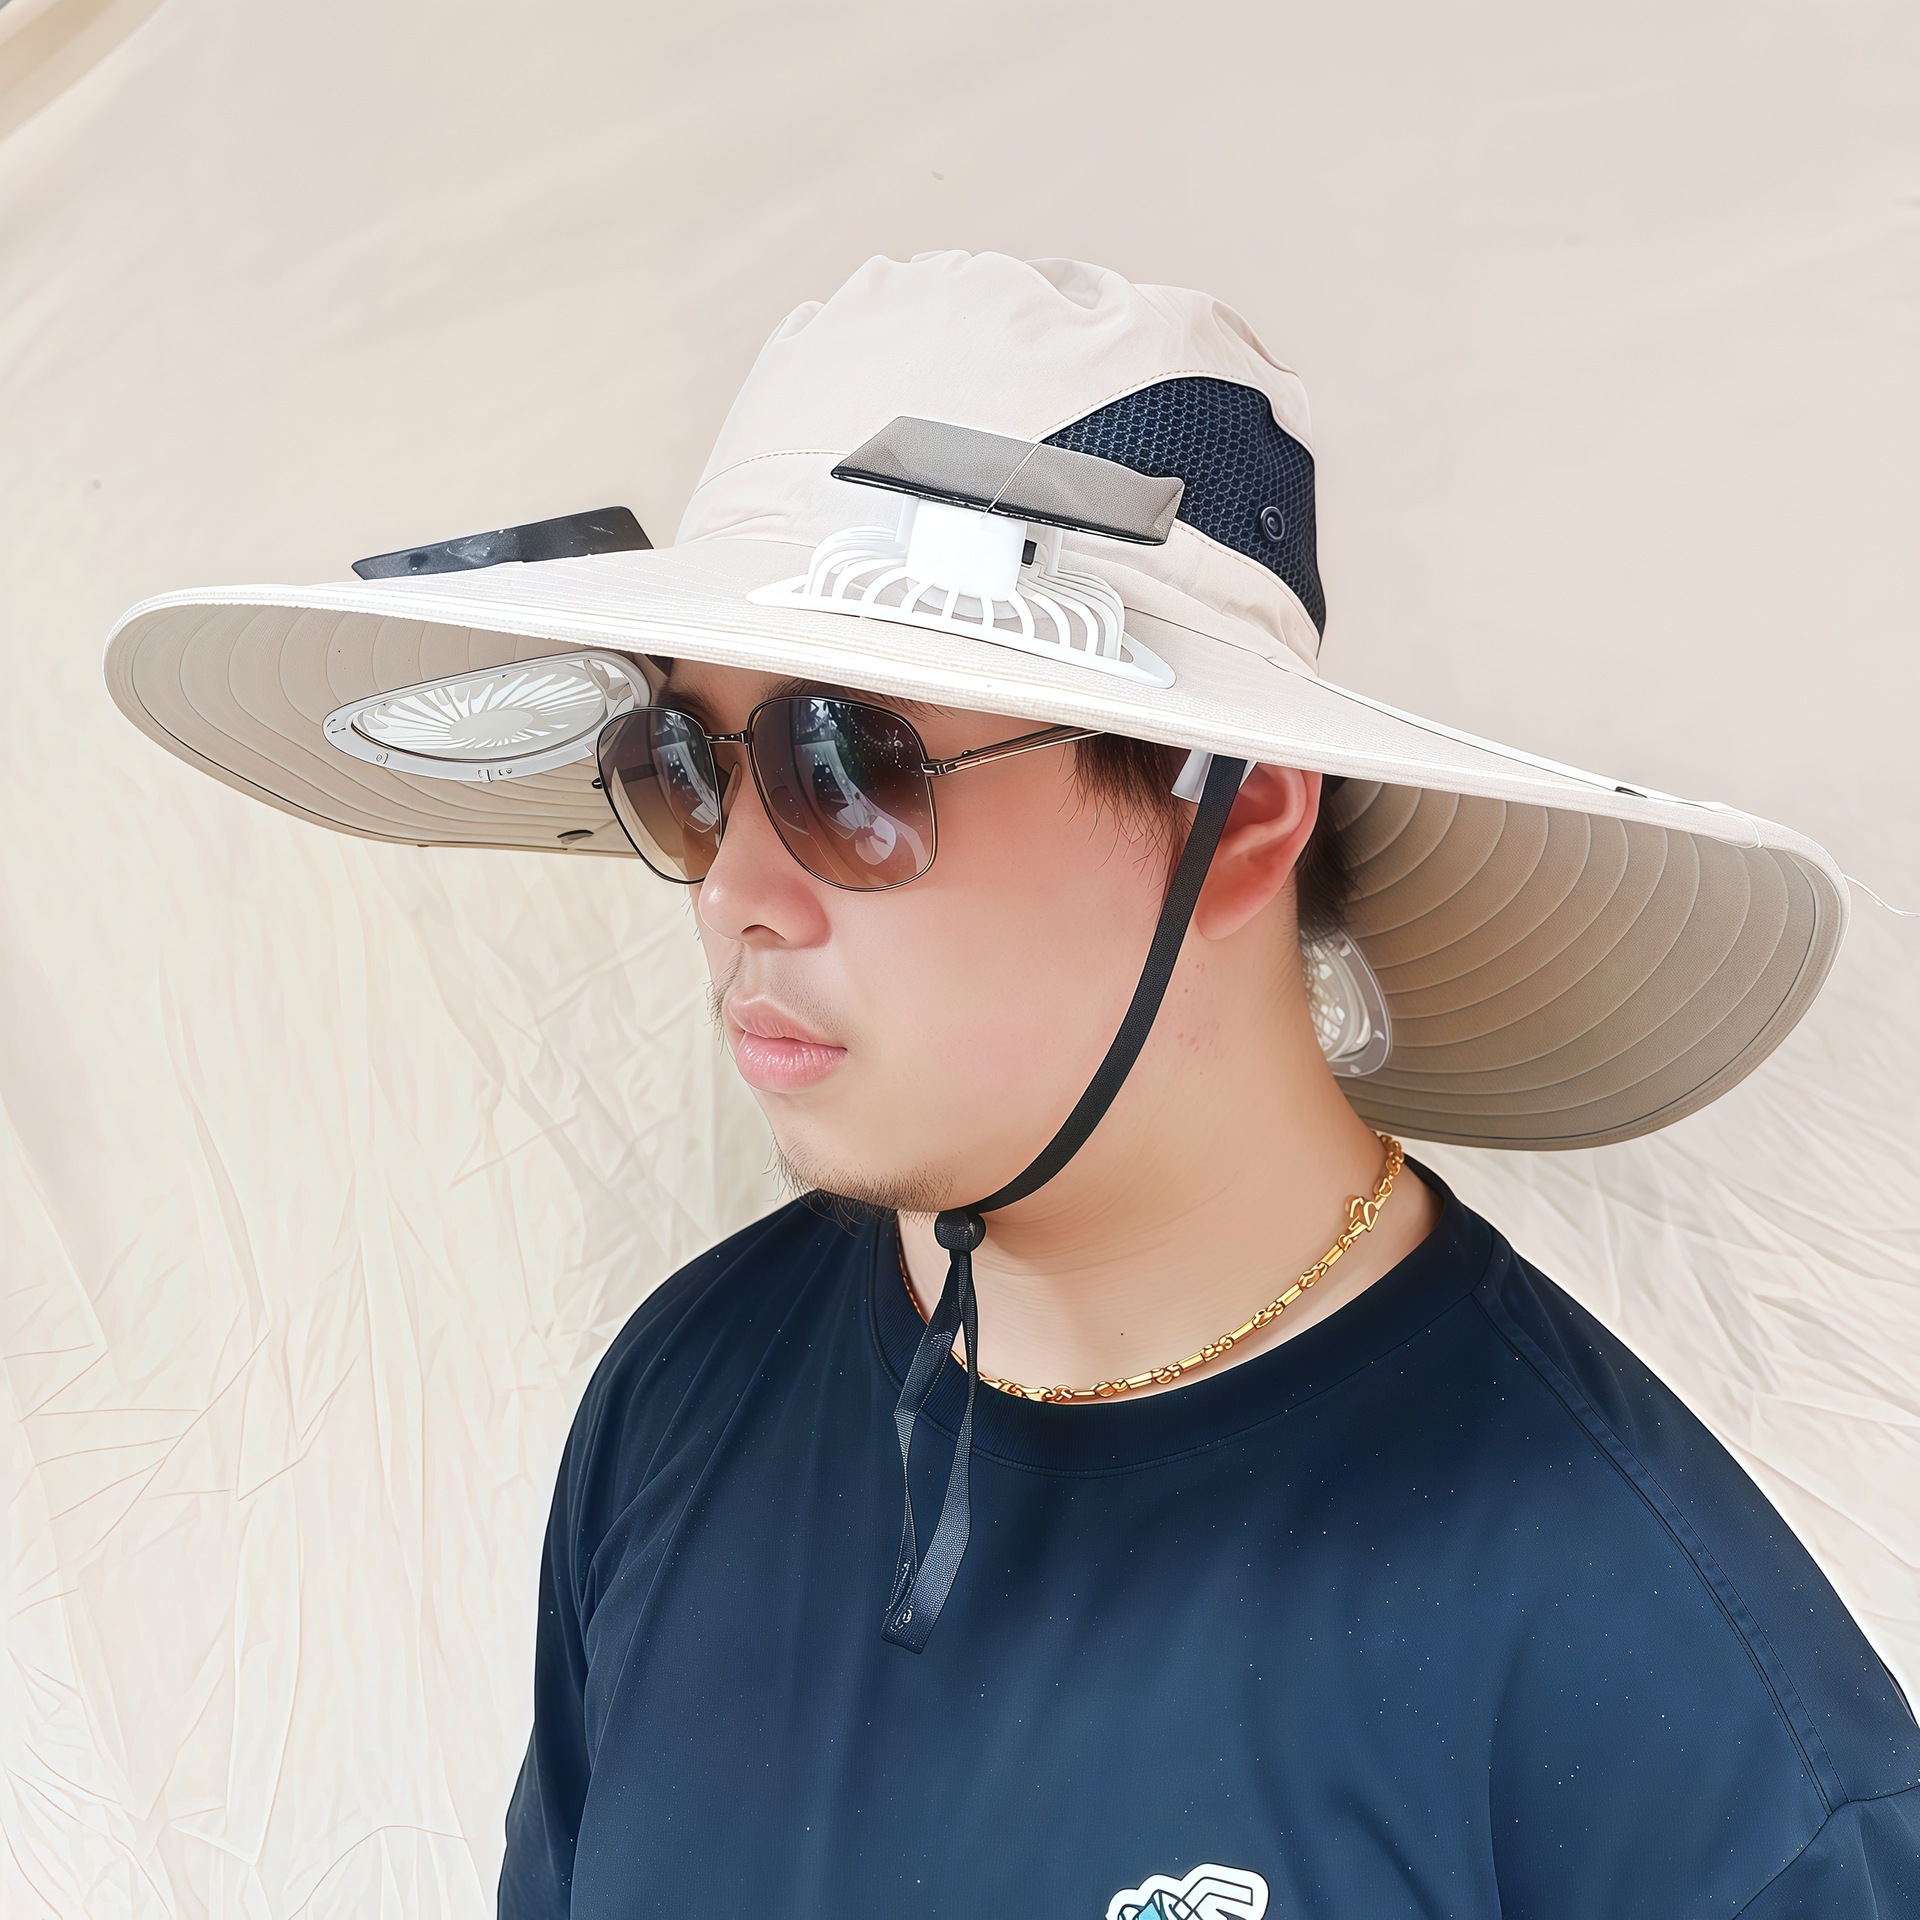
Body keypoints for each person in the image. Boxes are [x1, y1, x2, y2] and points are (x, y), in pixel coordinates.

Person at [106, 252, 1919, 1917]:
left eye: (845, 763)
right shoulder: (684, 1395)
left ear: (1237, 818)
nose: (737, 885)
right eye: (686, 763)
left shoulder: (1675, 1712)